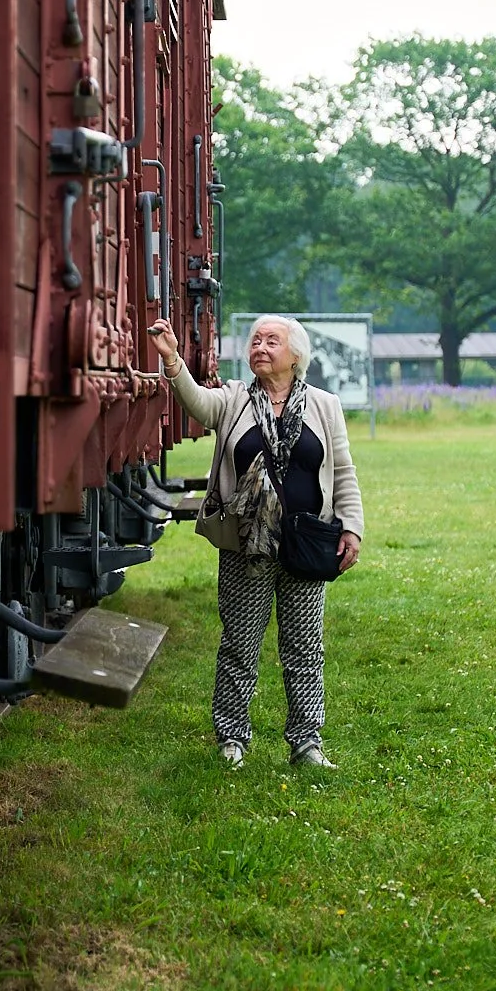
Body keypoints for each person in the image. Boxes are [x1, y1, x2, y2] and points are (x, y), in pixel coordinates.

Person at [148, 315, 364, 769]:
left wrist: (352, 527)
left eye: (272, 341)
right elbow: (199, 405)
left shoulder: (325, 405)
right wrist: (172, 360)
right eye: (256, 340)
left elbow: (343, 472)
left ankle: (306, 743)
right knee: (240, 644)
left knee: (304, 647)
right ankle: (232, 737)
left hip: (306, 544)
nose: (261, 347)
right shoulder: (233, 400)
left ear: (295, 355)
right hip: (246, 545)